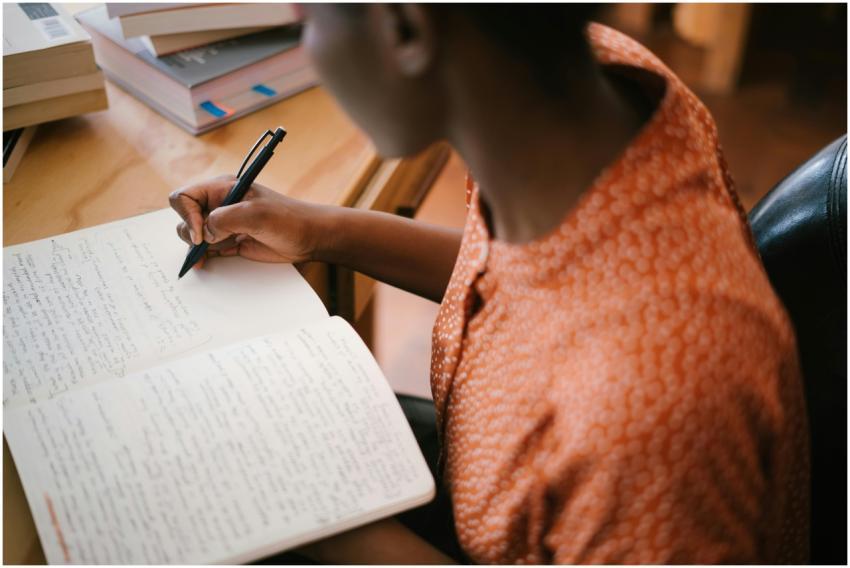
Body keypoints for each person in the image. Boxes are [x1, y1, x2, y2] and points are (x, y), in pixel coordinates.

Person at [169, 5, 809, 564]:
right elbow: (524, 282)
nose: (307, 52)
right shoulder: (582, 95)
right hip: (484, 473)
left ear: (405, 27)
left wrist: (327, 522)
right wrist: (318, 229)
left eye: (304, 23)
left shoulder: (652, 408)